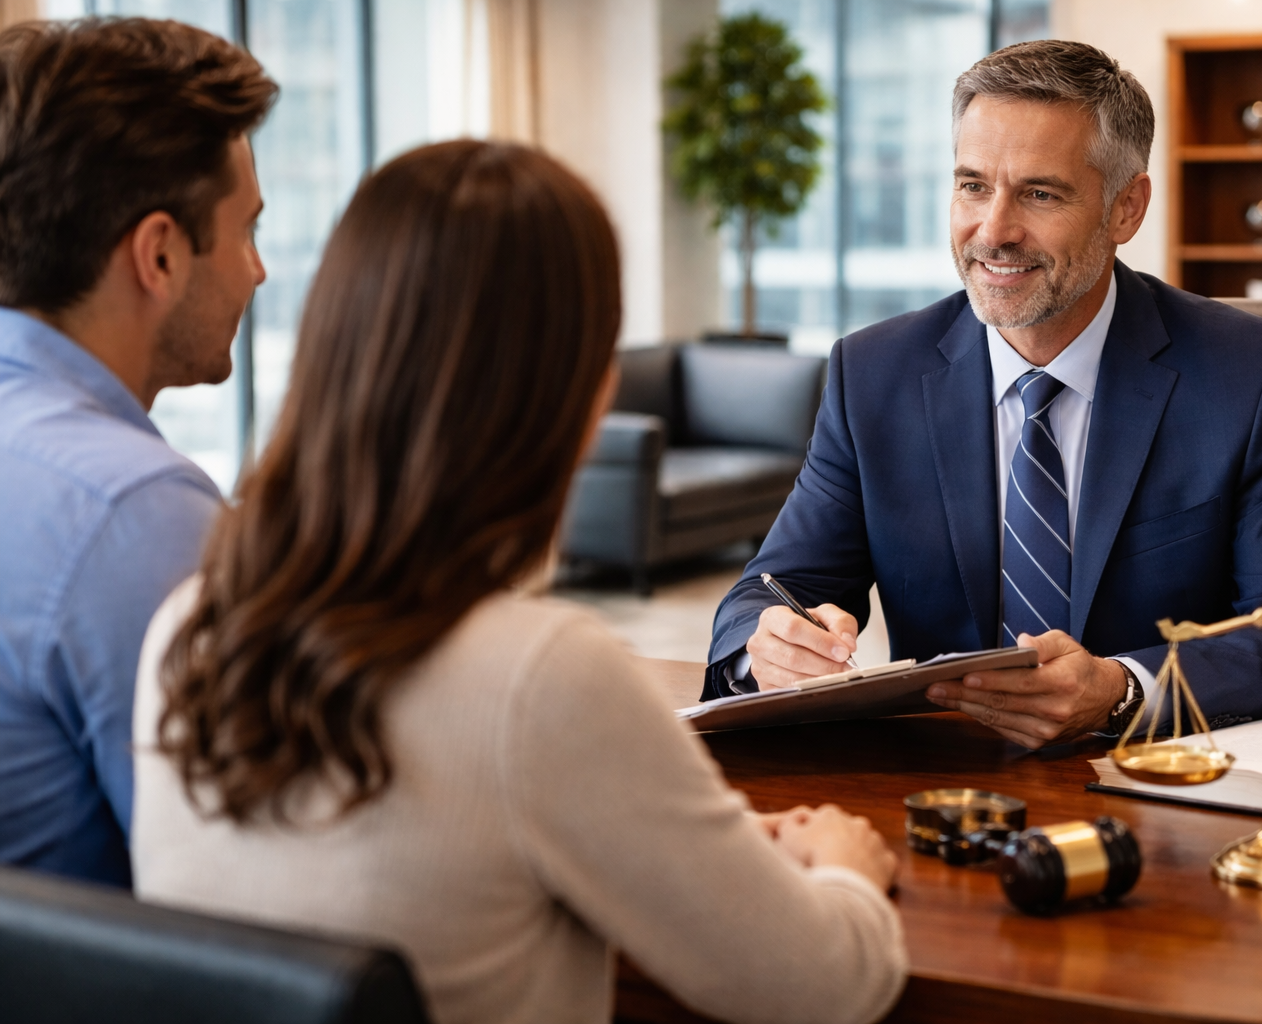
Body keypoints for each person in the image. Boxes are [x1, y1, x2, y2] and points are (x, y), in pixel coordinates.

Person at [131, 141, 906, 1024]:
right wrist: (847, 862)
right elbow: (824, 987)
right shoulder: (545, 679)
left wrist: (700, 848)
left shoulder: (184, 631)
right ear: (572, 387)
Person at [704, 40, 1262, 746]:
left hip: (1162, 788)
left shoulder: (1249, 375)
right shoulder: (873, 374)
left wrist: (1121, 690)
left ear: (1126, 209)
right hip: (944, 794)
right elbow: (766, 593)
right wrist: (767, 646)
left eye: (1040, 193)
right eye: (972, 185)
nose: (993, 231)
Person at [0, 18, 275, 886]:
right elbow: (262, 869)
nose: (257, 273)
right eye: (246, 232)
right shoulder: (135, 511)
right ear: (158, 253)